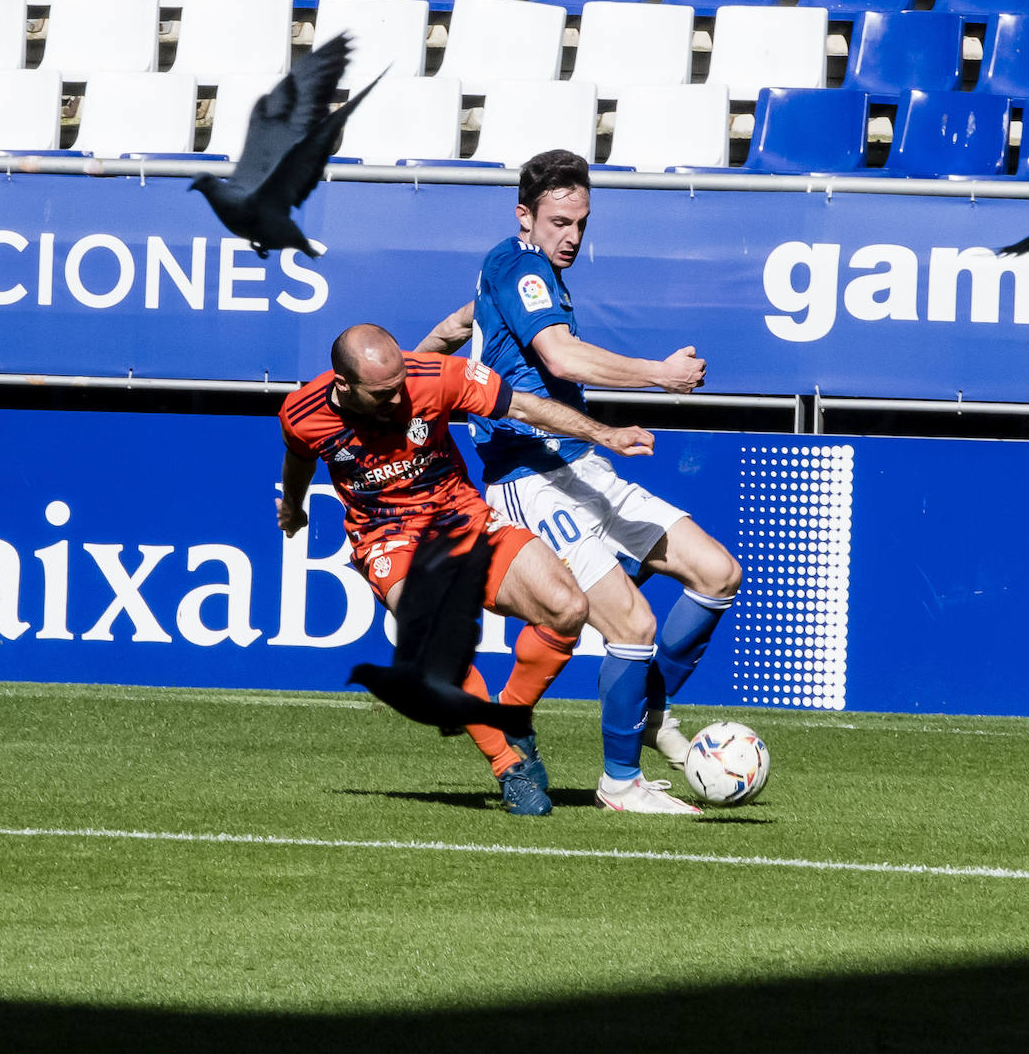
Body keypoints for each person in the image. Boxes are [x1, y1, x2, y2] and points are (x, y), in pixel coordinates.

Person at [420, 150, 742, 815]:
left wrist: (412, 370)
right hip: (528, 475)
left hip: (582, 463)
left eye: (581, 223)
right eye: (559, 221)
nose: (572, 236)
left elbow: (461, 325)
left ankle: (648, 711)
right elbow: (560, 355)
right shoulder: (526, 270)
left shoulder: (506, 267)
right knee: (632, 621)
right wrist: (660, 374)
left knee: (716, 572)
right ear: (525, 217)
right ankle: (621, 783)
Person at [277, 322, 654, 817]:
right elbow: (301, 454)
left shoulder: (434, 376)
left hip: (462, 517)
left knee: (567, 607)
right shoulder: (302, 412)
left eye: (400, 388)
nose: (397, 401)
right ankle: (508, 766)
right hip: (388, 537)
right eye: (382, 395)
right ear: (343, 385)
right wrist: (295, 506)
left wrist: (602, 432)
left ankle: (514, 716)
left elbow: (521, 405)